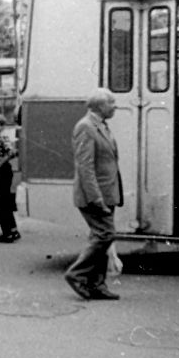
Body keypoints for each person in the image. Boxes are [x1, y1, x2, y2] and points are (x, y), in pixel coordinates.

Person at [65, 88, 123, 301]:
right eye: (112, 103)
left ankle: (97, 284)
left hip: (106, 192)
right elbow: (85, 167)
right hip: (94, 195)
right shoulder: (86, 127)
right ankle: (77, 274)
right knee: (105, 235)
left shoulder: (100, 126)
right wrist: (96, 199)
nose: (115, 106)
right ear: (100, 106)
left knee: (101, 236)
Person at [0, 113, 20, 243]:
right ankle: (13, 230)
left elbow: (12, 152)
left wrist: (0, 163)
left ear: (2, 126)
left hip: (2, 171)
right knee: (6, 201)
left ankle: (7, 233)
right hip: (3, 171)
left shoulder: (1, 138)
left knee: (1, 201)